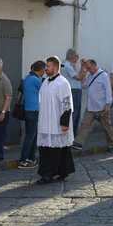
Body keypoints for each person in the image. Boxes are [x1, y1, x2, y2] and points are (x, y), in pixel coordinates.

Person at [36, 56, 75, 184]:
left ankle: (48, 174)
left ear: (55, 67)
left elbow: (66, 104)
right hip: (45, 119)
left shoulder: (62, 83)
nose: (45, 69)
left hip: (56, 121)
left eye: (48, 66)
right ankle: (64, 170)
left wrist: (64, 123)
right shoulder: (46, 81)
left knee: (56, 149)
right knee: (52, 148)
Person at [72, 59, 113, 151]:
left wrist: (108, 105)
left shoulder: (104, 75)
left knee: (107, 127)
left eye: (89, 68)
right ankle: (79, 142)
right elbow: (84, 86)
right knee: (85, 124)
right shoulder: (90, 76)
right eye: (87, 68)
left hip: (102, 107)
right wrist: (83, 72)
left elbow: (108, 91)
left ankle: (111, 145)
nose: (88, 70)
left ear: (94, 65)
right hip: (91, 107)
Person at [19, 61, 45, 169]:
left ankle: (31, 157)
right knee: (30, 136)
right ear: (41, 70)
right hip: (34, 110)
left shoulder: (27, 78)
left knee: (32, 135)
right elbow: (45, 90)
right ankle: (24, 159)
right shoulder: (35, 79)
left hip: (27, 110)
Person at [61, 49, 86, 135]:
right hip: (74, 91)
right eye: (77, 57)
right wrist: (83, 67)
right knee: (75, 113)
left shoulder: (64, 65)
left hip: (70, 90)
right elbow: (79, 77)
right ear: (72, 56)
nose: (77, 59)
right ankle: (72, 134)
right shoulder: (67, 66)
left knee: (72, 112)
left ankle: (71, 133)